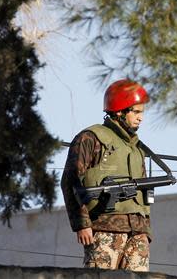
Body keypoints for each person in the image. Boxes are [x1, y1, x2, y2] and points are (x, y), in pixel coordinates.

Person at [61, 79, 151, 271]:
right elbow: (70, 182)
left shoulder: (137, 148)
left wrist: (145, 232)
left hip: (137, 233)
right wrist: (82, 224)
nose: (141, 118)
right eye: (136, 111)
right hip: (103, 230)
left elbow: (143, 194)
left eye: (142, 112)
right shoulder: (91, 138)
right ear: (119, 111)